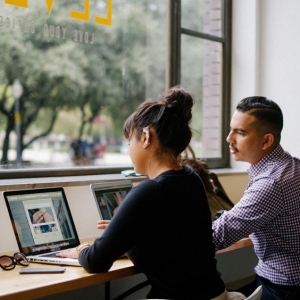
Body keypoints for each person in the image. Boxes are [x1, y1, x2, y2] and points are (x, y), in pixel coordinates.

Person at [57, 85, 229, 299]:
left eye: (130, 141)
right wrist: (125, 231)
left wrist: (82, 249)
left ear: (146, 136)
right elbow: (173, 239)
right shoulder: (191, 180)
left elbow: (95, 262)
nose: (129, 149)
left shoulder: (150, 190)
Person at [212, 96, 300, 300]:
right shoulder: (292, 166)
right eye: (231, 129)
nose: (229, 138)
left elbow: (218, 236)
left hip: (284, 287)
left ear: (267, 140)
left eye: (240, 132)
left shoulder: (271, 182)